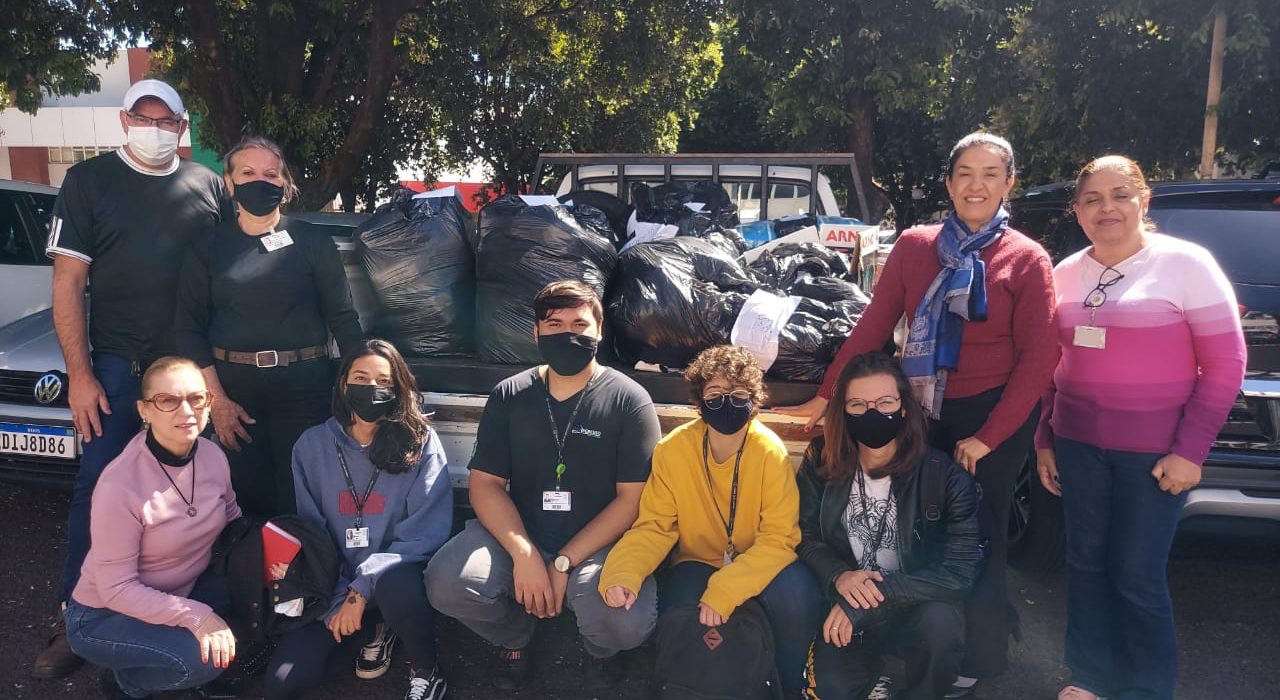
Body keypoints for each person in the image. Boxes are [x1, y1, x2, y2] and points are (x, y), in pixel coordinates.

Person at [777, 131, 1059, 696]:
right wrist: (829, 394)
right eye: (965, 174)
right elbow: (874, 327)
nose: (976, 185)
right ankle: (909, 631)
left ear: (1008, 183)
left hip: (992, 412)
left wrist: (989, 437)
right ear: (949, 183)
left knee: (978, 536)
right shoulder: (913, 246)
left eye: (990, 174)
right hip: (920, 406)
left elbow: (1039, 358)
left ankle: (976, 653)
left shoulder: (1027, 258)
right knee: (912, 525)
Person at [37, 79, 231, 679]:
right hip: (118, 368)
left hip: (191, 369)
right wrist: (79, 375)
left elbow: (226, 275)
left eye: (166, 120)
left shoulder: (207, 185)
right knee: (99, 486)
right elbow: (68, 282)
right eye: (143, 118)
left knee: (197, 489)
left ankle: (183, 608)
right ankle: (78, 617)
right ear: (124, 120)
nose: (154, 129)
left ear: (182, 127)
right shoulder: (88, 181)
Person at [1035, 156, 1245, 700]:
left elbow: (1226, 365)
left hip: (1156, 454)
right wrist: (1045, 438)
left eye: (1119, 195)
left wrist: (1191, 451)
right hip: (1077, 445)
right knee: (1085, 563)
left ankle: (1148, 689)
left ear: (1143, 201)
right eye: (1092, 199)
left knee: (1136, 574)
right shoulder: (1064, 274)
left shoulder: (1186, 264)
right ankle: (1089, 678)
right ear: (1077, 210)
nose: (1106, 208)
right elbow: (1051, 365)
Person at [425, 280, 662, 690]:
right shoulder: (510, 394)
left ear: (599, 331)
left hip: (600, 544)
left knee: (623, 622)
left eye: (579, 324)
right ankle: (515, 635)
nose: (568, 334)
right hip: (523, 530)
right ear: (535, 332)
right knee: (447, 582)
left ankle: (600, 650)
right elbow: (485, 484)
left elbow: (632, 500)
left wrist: (564, 561)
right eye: (554, 324)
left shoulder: (629, 400)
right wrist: (525, 555)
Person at [599, 344, 821, 696]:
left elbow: (780, 539)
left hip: (759, 561)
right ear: (699, 401)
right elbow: (655, 526)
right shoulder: (673, 449)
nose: (727, 402)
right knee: (679, 612)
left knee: (799, 595)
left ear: (754, 400)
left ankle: (789, 684)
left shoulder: (769, 451)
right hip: (696, 560)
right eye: (715, 393)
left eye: (739, 393)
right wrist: (624, 572)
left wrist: (726, 589)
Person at [176, 135, 364, 518]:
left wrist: (362, 384)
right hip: (233, 392)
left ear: (285, 184)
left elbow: (343, 318)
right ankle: (250, 559)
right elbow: (187, 329)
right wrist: (217, 401)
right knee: (246, 501)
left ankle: (301, 559)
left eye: (271, 174)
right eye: (247, 173)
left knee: (302, 500)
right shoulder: (207, 245)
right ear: (229, 182)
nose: (260, 181)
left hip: (304, 389)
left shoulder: (312, 241)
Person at [265, 339, 452, 700]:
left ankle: (426, 670)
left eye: (384, 381)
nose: (372, 388)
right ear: (343, 384)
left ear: (398, 389)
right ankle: (376, 629)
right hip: (333, 583)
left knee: (396, 588)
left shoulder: (420, 441)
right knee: (282, 682)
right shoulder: (310, 446)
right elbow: (314, 536)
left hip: (394, 577)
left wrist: (361, 589)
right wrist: (341, 598)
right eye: (361, 378)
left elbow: (424, 533)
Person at [797, 352, 981, 700]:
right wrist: (838, 574)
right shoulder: (822, 459)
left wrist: (877, 599)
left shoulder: (943, 477)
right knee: (831, 690)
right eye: (858, 405)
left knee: (941, 625)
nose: (872, 414)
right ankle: (869, 681)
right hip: (846, 599)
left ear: (904, 407)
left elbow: (959, 572)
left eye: (885, 403)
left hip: (911, 604)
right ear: (843, 412)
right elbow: (802, 533)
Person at [63, 357, 241, 699]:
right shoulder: (120, 485)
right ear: (144, 410)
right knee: (202, 661)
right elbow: (117, 589)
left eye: (196, 398)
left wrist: (269, 558)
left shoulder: (212, 454)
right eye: (167, 400)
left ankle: (161, 658)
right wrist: (197, 616)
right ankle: (126, 683)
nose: (186, 411)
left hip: (179, 591)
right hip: (103, 615)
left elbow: (233, 517)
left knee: (251, 605)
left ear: (209, 403)